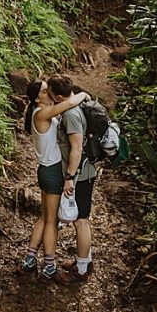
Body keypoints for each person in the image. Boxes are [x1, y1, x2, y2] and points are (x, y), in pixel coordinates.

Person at [17, 76, 88, 281]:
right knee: (51, 221)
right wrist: (82, 93)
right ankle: (49, 266)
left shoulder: (39, 113)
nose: (48, 93)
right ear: (38, 99)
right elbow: (70, 102)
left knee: (43, 216)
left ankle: (30, 260)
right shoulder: (42, 114)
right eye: (44, 91)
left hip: (45, 170)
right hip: (53, 171)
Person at [59, 82, 99, 282]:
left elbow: (76, 148)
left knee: (81, 221)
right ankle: (85, 260)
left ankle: (81, 270)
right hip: (85, 172)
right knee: (81, 220)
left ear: (58, 97)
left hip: (81, 174)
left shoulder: (71, 114)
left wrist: (69, 178)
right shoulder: (79, 107)